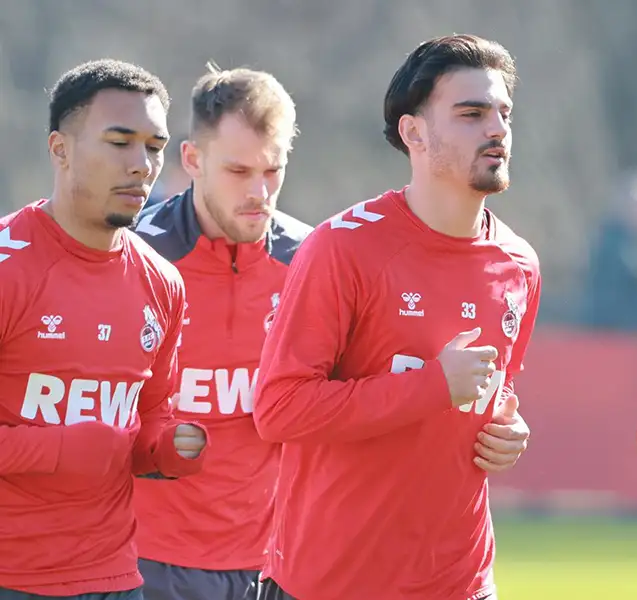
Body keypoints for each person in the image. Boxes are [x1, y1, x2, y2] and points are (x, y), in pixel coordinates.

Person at [253, 34, 539, 600]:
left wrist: (510, 433)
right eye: (471, 114)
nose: (498, 130)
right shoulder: (342, 247)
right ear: (413, 132)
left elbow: (491, 402)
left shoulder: (520, 264)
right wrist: (431, 385)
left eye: (503, 113)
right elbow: (279, 409)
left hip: (462, 583)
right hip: (333, 583)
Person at [0, 59, 208, 599]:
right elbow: (86, 445)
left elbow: (150, 415)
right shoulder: (9, 266)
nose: (142, 165)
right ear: (60, 147)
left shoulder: (162, 281)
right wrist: (60, 449)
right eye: (119, 142)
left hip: (115, 576)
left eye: (154, 147)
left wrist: (167, 447)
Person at [129, 65, 307, 600]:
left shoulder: (312, 262)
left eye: (273, 170)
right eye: (237, 170)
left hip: (280, 562)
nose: (259, 192)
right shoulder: (135, 258)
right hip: (149, 561)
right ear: (191, 160)